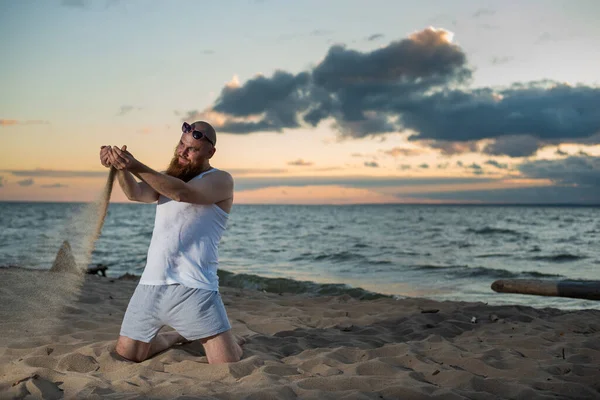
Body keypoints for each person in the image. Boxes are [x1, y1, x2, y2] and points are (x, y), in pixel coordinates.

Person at [99, 120, 243, 364]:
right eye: (181, 145)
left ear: (210, 152)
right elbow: (136, 193)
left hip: (194, 287)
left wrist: (133, 164)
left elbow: (181, 193)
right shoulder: (166, 178)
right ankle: (176, 336)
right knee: (127, 356)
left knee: (226, 364)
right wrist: (119, 166)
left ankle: (228, 341)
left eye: (192, 149)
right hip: (150, 285)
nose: (182, 152)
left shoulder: (220, 180)